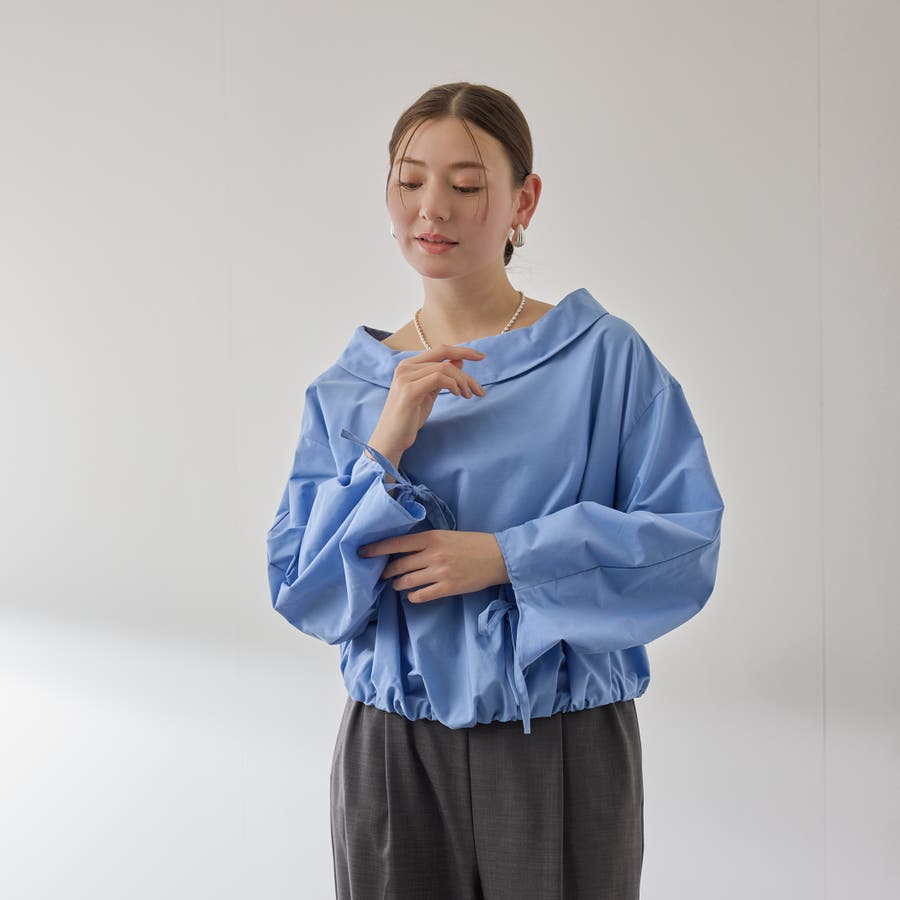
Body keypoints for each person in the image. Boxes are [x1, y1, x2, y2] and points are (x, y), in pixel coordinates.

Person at [266, 82, 725, 900]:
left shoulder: (602, 359)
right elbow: (304, 592)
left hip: (562, 744)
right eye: (410, 181)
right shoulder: (348, 391)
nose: (432, 208)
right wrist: (385, 442)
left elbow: (685, 544)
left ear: (524, 201)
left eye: (467, 184)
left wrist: (509, 558)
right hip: (391, 752)